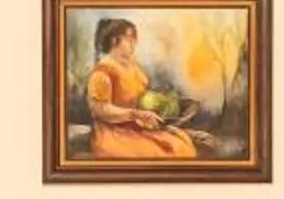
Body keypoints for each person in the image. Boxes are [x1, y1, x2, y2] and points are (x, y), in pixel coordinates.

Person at [83, 17, 198, 160]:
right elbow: (100, 110)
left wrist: (153, 112)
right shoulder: (103, 71)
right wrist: (134, 114)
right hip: (114, 132)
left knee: (181, 144)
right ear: (114, 41)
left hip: (138, 126)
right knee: (166, 153)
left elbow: (142, 98)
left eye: (134, 38)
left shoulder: (132, 66)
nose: (134, 43)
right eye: (129, 38)